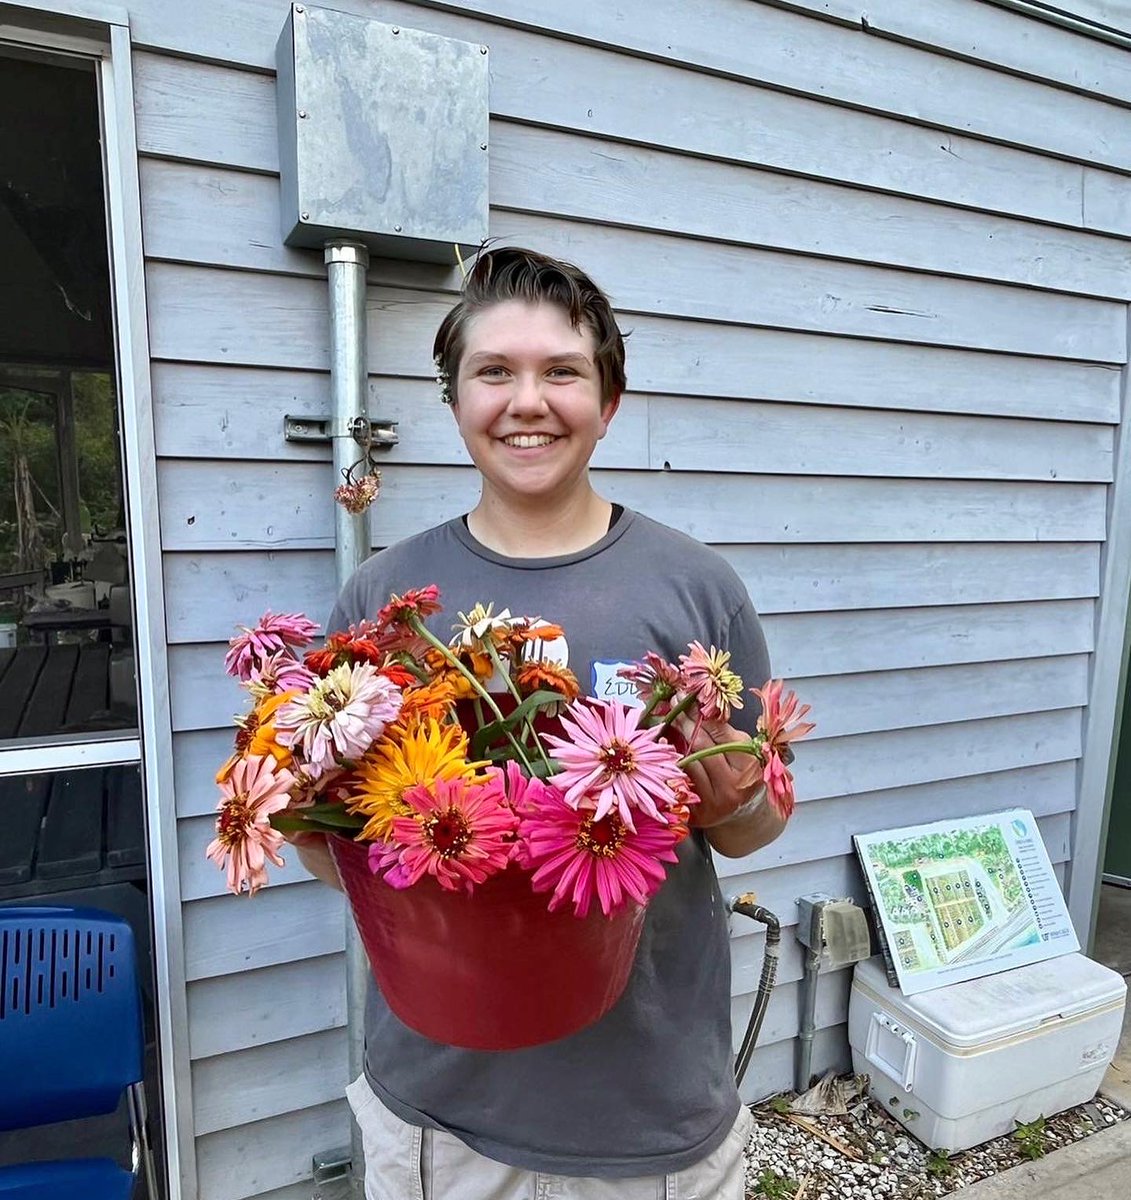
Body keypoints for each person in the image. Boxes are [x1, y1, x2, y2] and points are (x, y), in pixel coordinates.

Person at [292, 246, 788, 1199]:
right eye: (494, 372)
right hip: (441, 1112)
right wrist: (315, 805)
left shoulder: (697, 587)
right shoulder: (384, 596)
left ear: (608, 403)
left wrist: (734, 802)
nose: (527, 401)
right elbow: (336, 852)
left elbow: (752, 827)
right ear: (453, 402)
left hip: (653, 1107)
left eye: (562, 371)